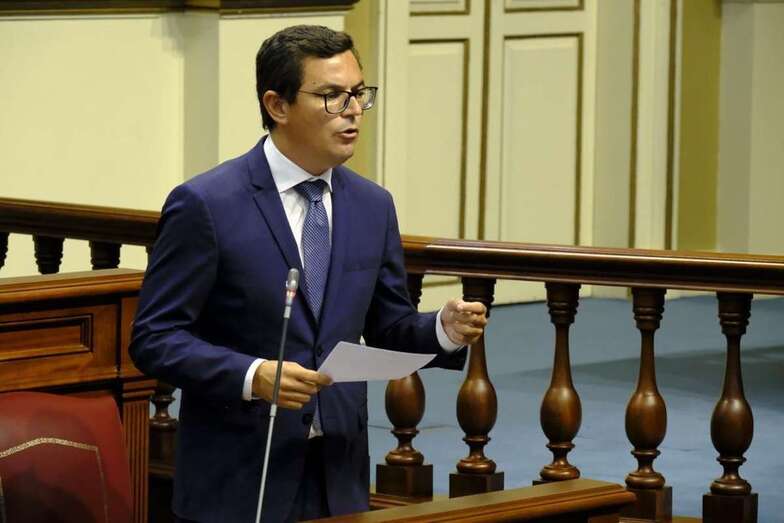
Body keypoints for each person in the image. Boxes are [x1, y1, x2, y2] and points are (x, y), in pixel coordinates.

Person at [130, 25, 488, 523]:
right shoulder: (207, 205)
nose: (353, 110)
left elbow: (387, 328)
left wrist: (441, 332)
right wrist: (253, 376)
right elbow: (155, 338)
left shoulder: (372, 205)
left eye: (359, 94)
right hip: (239, 478)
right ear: (277, 105)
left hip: (338, 472)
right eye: (331, 96)